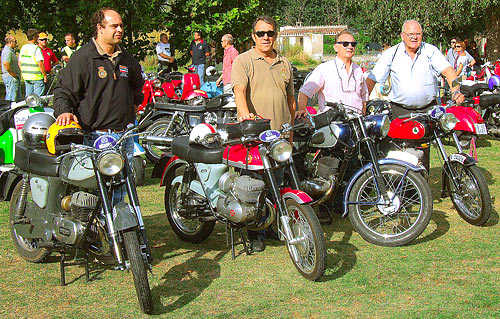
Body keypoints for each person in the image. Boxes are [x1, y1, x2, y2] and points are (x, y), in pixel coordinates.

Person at [54, 7, 144, 204]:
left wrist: (134, 104)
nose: (119, 29)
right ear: (100, 28)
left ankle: (119, 232)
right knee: (96, 190)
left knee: (121, 187)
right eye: (114, 26)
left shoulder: (126, 58)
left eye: (121, 25)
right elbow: (64, 90)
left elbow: (138, 84)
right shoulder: (83, 57)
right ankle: (95, 230)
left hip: (124, 135)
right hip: (95, 136)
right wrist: (64, 112)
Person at [231, 15, 295, 252]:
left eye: (270, 33)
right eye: (261, 33)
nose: (266, 37)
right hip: (255, 135)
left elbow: (290, 98)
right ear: (253, 36)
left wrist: (290, 131)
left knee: (276, 183)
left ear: (276, 35)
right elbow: (239, 90)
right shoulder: (244, 60)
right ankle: (255, 232)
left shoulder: (284, 62)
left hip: (279, 135)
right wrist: (245, 114)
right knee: (255, 184)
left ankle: (272, 225)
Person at [367, 20, 464, 171]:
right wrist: (362, 102)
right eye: (410, 34)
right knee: (401, 149)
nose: (414, 37)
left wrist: (456, 90)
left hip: (427, 110)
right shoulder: (391, 54)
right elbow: (372, 78)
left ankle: (422, 183)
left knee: (424, 149)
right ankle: (403, 184)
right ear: (402, 36)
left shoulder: (430, 51)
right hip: (400, 111)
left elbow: (450, 72)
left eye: (418, 34)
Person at [296, 30, 368, 117]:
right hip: (332, 124)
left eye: (353, 44)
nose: (350, 46)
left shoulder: (358, 70)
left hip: (356, 122)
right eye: (345, 43)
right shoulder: (324, 69)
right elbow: (304, 91)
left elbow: (364, 97)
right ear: (336, 47)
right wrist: (301, 110)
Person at [19, 29, 47, 96]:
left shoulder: (23, 48)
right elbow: (40, 64)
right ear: (34, 37)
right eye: (37, 36)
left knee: (29, 99)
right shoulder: (36, 48)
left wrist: (24, 72)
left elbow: (19, 63)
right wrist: (45, 76)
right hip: (37, 77)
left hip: (27, 77)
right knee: (37, 99)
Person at [1, 35, 22, 102]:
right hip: (11, 78)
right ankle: (9, 111)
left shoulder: (10, 51)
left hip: (13, 77)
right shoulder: (7, 51)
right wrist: (12, 73)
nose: (16, 43)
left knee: (16, 98)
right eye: (15, 41)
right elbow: (5, 63)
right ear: (10, 42)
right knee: (11, 98)